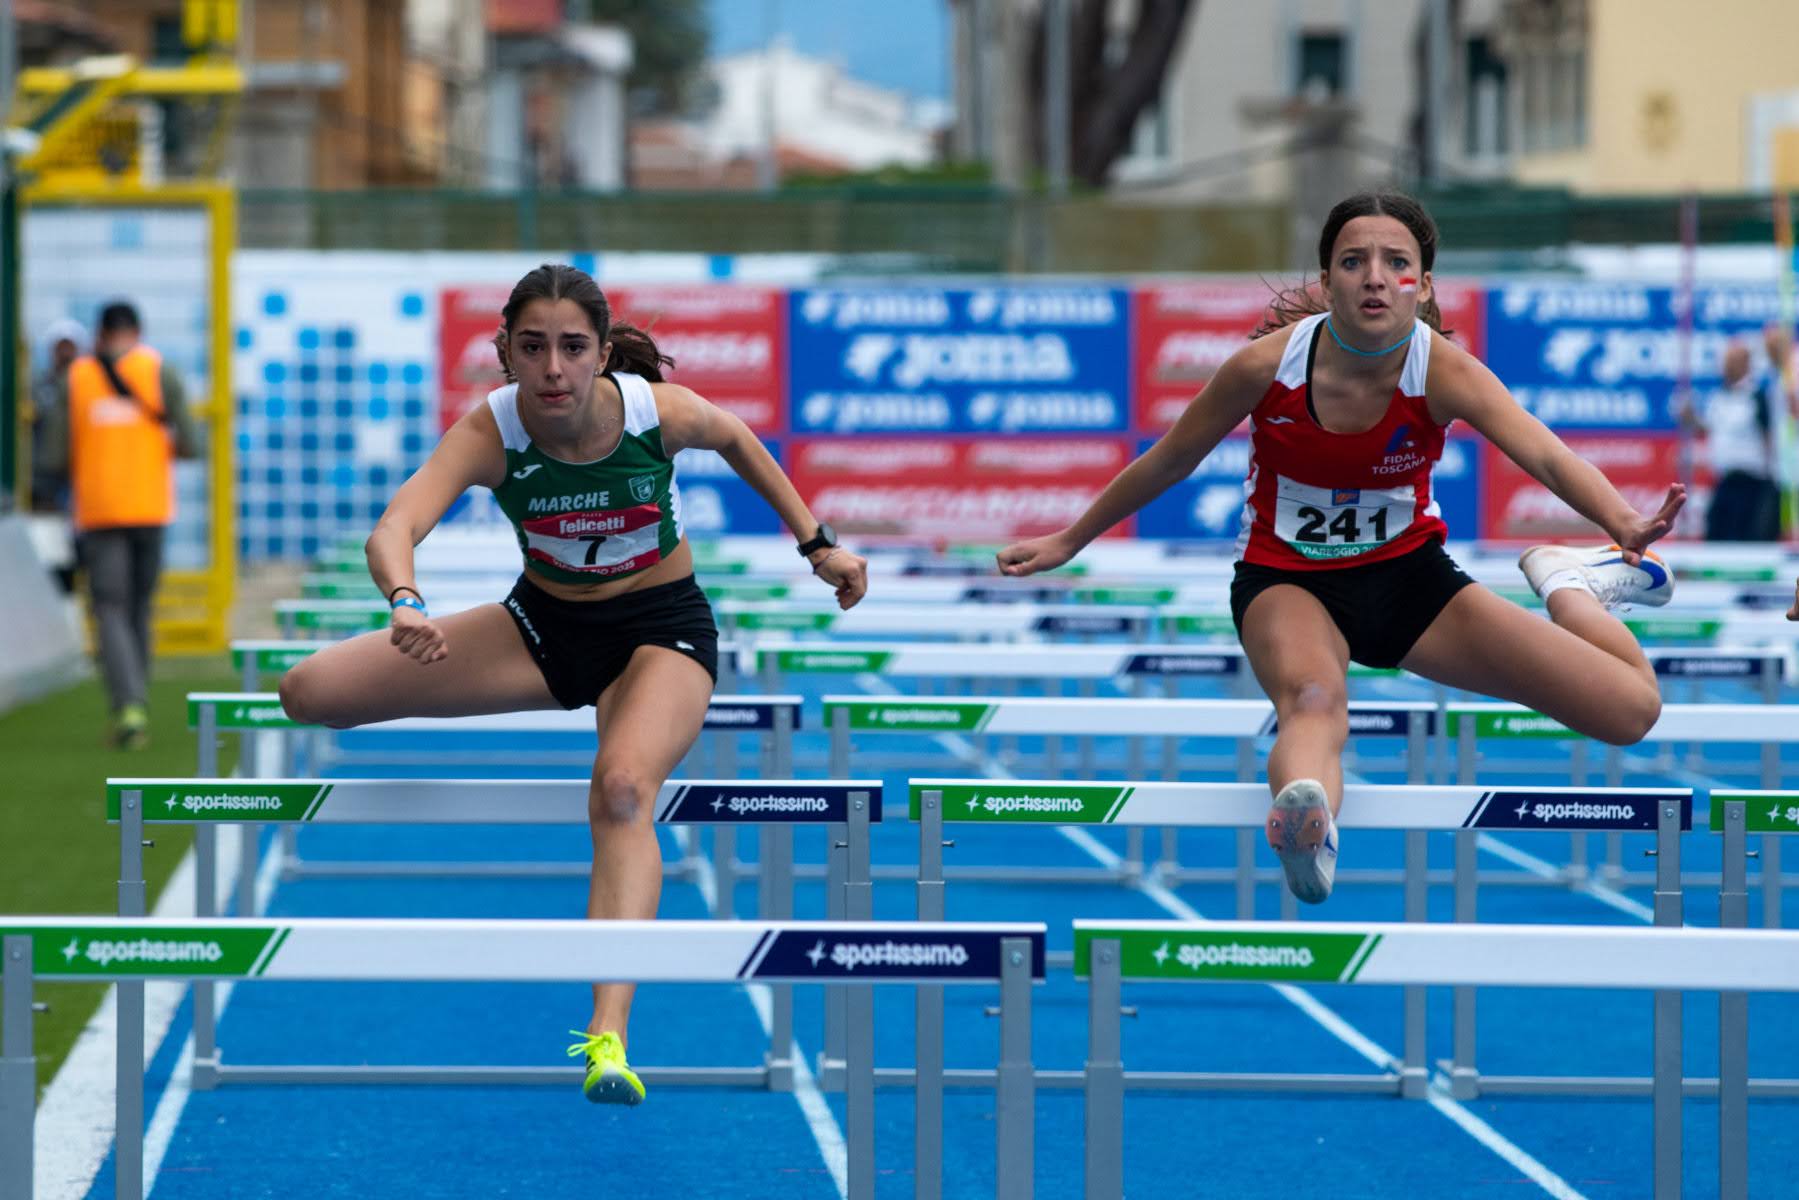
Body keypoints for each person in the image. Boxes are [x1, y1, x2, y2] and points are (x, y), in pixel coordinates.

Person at [277, 262, 869, 1106]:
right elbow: (396, 525)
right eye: (532, 348)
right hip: (543, 628)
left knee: (623, 788)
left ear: (600, 353)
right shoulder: (491, 432)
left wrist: (818, 545)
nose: (552, 369)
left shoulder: (654, 413)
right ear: (504, 352)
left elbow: (737, 438)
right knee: (308, 692)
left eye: (571, 348)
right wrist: (405, 600)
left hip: (659, 631)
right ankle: (607, 1026)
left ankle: (608, 1036)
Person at [997, 191, 1685, 905]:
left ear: (1422, 285)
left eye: (1396, 263)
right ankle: (1309, 823)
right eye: (1353, 262)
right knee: (1315, 698)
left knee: (1628, 711)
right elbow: (1170, 459)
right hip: (1286, 580)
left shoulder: (1443, 371)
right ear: (1327, 283)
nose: (1375, 278)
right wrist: (1070, 539)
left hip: (1410, 583)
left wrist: (1622, 522)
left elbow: (1544, 454)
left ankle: (1568, 581)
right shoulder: (1264, 368)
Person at [40, 301, 202, 749]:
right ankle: (137, 698)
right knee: (139, 607)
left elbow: (54, 455)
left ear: (100, 333)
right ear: (138, 330)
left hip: (100, 512)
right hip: (150, 508)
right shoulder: (161, 371)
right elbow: (193, 443)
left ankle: (129, 705)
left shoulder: (76, 378)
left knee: (110, 607)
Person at [1678, 339, 1780, 541]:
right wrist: (1691, 418)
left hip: (1751, 482)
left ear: (1745, 364)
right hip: (1724, 480)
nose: (1725, 367)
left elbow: (1769, 437)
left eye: (1731, 362)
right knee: (1716, 532)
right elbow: (1711, 429)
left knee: (1746, 539)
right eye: (1725, 362)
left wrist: (1772, 480)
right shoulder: (1719, 397)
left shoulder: (1757, 397)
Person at [29, 318, 86, 513]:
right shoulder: (40, 384)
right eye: (61, 347)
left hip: (79, 468)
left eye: (70, 348)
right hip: (46, 470)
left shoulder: (89, 385)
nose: (65, 353)